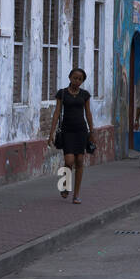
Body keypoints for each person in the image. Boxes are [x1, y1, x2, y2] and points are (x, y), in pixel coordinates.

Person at [47, 67, 94, 204]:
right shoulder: (62, 93)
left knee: (79, 161)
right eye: (75, 78)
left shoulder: (85, 95)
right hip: (67, 131)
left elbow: (88, 113)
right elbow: (56, 113)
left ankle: (76, 194)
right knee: (69, 161)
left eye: (80, 79)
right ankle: (64, 185)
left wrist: (92, 132)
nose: (77, 81)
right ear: (70, 78)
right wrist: (51, 133)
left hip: (81, 131)